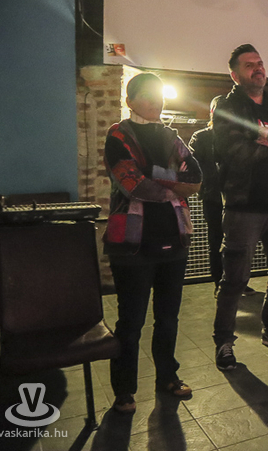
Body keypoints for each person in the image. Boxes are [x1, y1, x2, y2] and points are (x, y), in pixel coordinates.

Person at [103, 73, 202, 413]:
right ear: (129, 101)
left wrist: (156, 175)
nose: (155, 102)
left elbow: (196, 177)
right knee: (131, 322)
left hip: (174, 237)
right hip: (132, 243)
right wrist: (173, 184)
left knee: (168, 318)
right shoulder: (118, 136)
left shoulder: (171, 136)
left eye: (159, 95)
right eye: (146, 95)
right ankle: (124, 390)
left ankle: (168, 377)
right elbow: (133, 184)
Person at [212, 44, 268, 372]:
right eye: (250, 65)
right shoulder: (227, 107)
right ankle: (224, 341)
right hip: (244, 207)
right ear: (235, 75)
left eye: (260, 63)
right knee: (234, 280)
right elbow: (233, 152)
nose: (258, 68)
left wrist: (266, 139)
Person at [189, 96, 256, 296]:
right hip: (214, 197)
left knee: (240, 242)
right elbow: (193, 167)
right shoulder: (201, 137)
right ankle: (220, 282)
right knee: (217, 241)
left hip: (236, 197)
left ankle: (238, 281)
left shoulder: (238, 136)